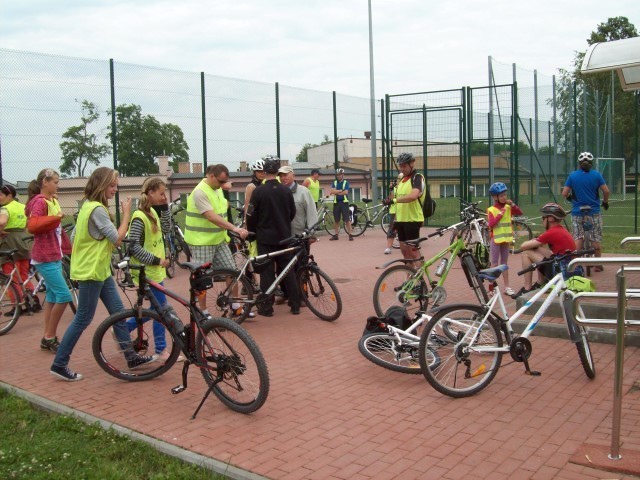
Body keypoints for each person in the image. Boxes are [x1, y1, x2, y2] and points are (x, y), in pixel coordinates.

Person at [50, 167, 155, 381]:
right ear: (101, 184)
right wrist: (127, 214)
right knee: (83, 318)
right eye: (112, 185)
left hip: (100, 270)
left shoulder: (89, 206)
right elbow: (117, 238)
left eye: (116, 185)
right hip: (91, 271)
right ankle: (59, 364)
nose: (115, 189)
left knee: (118, 312)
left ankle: (131, 356)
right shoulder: (96, 209)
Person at [124, 177, 183, 363]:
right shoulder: (139, 217)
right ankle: (161, 350)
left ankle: (124, 329)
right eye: (161, 193)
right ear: (150, 193)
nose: (164, 196)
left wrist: (165, 208)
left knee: (156, 310)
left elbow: (166, 229)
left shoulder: (152, 212)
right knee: (161, 311)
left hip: (155, 272)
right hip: (146, 272)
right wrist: (157, 260)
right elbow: (133, 247)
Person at [184, 164, 249, 315]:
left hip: (219, 239)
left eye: (223, 182)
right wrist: (234, 228)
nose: (222, 185)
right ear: (211, 176)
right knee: (202, 279)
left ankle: (235, 305)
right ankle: (203, 312)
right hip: (202, 242)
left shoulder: (216, 187)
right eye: (220, 181)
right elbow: (211, 216)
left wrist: (225, 185)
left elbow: (221, 199)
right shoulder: (200, 192)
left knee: (232, 272)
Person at [24, 170, 73, 352]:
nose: (57, 185)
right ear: (45, 182)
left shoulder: (51, 201)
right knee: (64, 295)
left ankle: (47, 336)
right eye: (55, 182)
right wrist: (54, 218)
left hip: (54, 255)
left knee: (52, 296)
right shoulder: (39, 202)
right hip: (44, 256)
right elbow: (33, 224)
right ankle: (50, 336)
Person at [246, 158, 300, 316]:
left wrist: (253, 231)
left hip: (265, 238)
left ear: (264, 172)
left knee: (267, 273)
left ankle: (267, 307)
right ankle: (295, 305)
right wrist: (283, 223)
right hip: (284, 236)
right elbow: (292, 212)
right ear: (277, 172)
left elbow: (250, 215)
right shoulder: (285, 190)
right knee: (287, 271)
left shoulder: (258, 191)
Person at [511, 203, 576, 298]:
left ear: (550, 219)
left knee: (526, 253)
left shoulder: (552, 232)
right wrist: (537, 243)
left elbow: (523, 246)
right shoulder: (560, 229)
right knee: (539, 248)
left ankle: (527, 288)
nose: (542, 220)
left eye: (543, 217)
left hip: (562, 271)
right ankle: (540, 282)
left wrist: (534, 241)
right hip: (568, 268)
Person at [562, 151, 609, 272]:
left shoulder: (572, 176)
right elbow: (606, 191)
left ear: (579, 163)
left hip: (578, 212)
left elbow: (564, 193)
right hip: (594, 211)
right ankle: (598, 264)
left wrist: (571, 199)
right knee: (595, 238)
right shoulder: (597, 175)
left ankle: (576, 264)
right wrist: (605, 202)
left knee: (578, 236)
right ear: (591, 163)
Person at [0, 185, 37, 317]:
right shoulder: (22, 207)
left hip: (9, 241)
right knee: (23, 273)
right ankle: (32, 299)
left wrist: (1, 231)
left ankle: (17, 305)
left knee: (10, 276)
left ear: (9, 195)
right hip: (23, 240)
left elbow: (2, 221)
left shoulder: (5, 208)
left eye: (1, 195)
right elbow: (28, 222)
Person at [382, 153, 424, 265]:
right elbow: (395, 198)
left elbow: (413, 196)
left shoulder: (417, 177)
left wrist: (395, 200)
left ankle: (420, 279)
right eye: (400, 166)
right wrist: (388, 199)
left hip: (412, 220)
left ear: (412, 164)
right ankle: (409, 277)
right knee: (405, 253)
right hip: (400, 220)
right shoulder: (402, 180)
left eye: (404, 166)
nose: (402, 169)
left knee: (414, 252)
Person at [486, 182, 523, 297]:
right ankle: (491, 287)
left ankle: (507, 287)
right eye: (501, 195)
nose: (504, 197)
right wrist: (500, 215)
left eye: (505, 195)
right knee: (494, 263)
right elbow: (491, 224)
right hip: (496, 240)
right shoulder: (491, 209)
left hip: (506, 239)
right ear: (495, 197)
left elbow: (520, 213)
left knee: (504, 263)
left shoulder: (507, 207)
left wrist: (513, 205)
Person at [278, 166, 318, 236]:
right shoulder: (277, 192)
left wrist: (312, 234)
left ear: (293, 175)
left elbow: (311, 213)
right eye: (280, 176)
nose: (282, 178)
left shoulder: (304, 192)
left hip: (299, 236)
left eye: (285, 175)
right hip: (281, 236)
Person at [329, 168, 354, 241]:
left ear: (343, 175)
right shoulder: (335, 182)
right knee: (336, 220)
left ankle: (350, 235)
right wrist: (340, 191)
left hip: (344, 203)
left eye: (340, 175)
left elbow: (346, 192)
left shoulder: (346, 182)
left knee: (347, 219)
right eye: (337, 175)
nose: (339, 176)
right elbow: (331, 191)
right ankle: (336, 235)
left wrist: (336, 192)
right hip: (336, 203)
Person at [383, 174, 402, 255]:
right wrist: (391, 189)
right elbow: (392, 198)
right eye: (399, 178)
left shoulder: (406, 187)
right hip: (394, 211)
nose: (399, 180)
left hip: (403, 211)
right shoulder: (395, 188)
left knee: (404, 229)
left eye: (401, 178)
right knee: (392, 229)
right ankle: (388, 248)